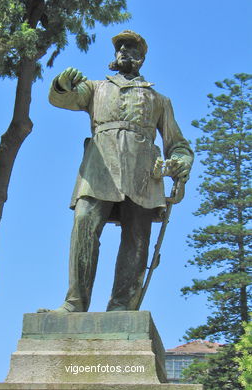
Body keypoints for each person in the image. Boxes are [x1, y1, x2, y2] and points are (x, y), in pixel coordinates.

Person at [47, 30, 193, 312]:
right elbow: (62, 99)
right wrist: (62, 84)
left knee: (136, 239)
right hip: (99, 169)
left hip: (143, 176)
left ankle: (121, 307)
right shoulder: (95, 88)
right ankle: (74, 302)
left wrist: (180, 163)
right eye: (120, 46)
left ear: (142, 56)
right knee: (84, 225)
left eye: (131, 46)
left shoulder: (159, 100)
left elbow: (179, 145)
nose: (124, 50)